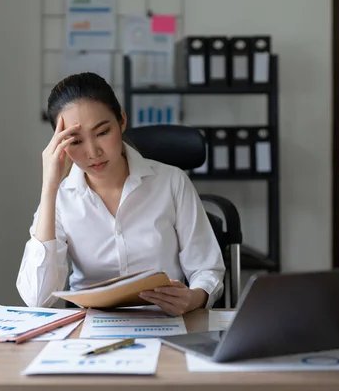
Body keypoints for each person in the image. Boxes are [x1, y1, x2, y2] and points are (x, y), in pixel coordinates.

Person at [16, 72, 225, 316]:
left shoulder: (172, 182)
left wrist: (193, 298)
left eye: (103, 132)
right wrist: (49, 188)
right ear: (59, 144)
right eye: (75, 141)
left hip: (165, 320)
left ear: (122, 121)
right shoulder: (61, 199)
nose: (93, 152)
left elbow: (207, 269)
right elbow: (37, 298)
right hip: (89, 328)